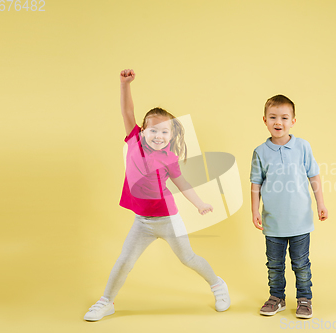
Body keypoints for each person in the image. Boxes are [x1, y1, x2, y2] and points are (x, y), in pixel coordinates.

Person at [84, 69, 230, 321]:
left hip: (168, 220)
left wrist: (199, 204)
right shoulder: (134, 142)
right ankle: (107, 301)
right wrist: (124, 85)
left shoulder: (170, 158)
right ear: (142, 131)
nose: (158, 136)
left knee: (189, 258)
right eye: (153, 131)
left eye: (164, 132)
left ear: (171, 135)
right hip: (142, 223)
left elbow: (182, 183)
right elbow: (127, 112)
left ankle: (218, 285)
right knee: (124, 262)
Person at [250, 95, 328, 319]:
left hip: (300, 220)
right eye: (273, 117)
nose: (278, 122)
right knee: (274, 265)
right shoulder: (260, 152)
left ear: (293, 121)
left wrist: (320, 203)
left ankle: (304, 298)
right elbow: (256, 182)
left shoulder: (302, 147)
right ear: (264, 120)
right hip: (273, 221)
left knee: (301, 264)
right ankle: (277, 298)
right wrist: (254, 210)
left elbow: (314, 175)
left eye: (284, 117)